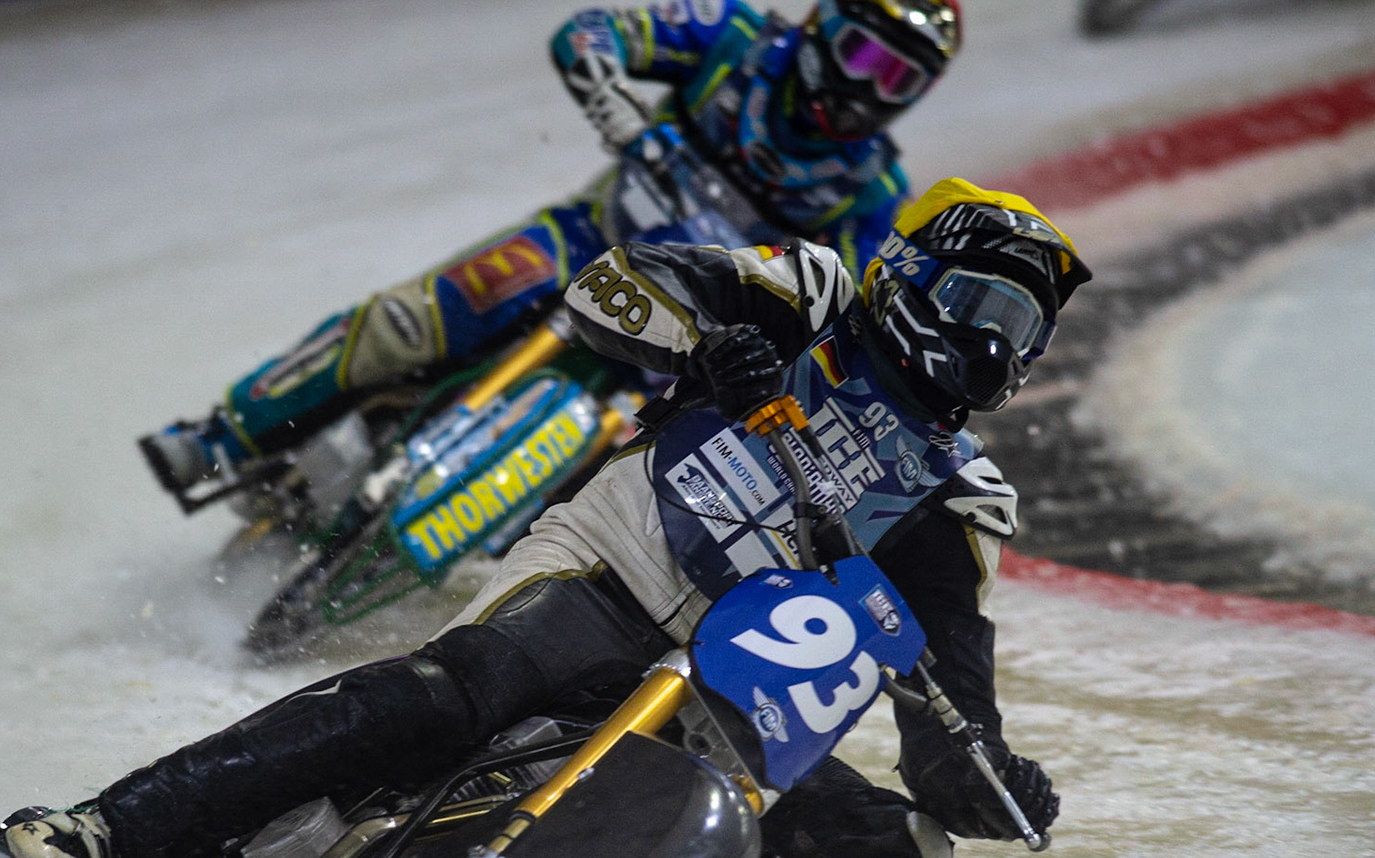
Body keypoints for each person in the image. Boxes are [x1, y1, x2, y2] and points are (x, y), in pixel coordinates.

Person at [2, 178, 1087, 858]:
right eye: (983, 302)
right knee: (452, 695)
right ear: (910, 276)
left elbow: (947, 719)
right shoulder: (812, 297)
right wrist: (710, 347)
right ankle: (109, 831)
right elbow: (610, 287)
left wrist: (994, 781)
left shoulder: (964, 501)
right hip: (611, 569)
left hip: (734, 710)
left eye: (1024, 328)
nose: (996, 344)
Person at [140, 0, 962, 502]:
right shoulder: (733, 35)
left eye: (900, 81)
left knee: (626, 473)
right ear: (826, 26)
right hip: (584, 238)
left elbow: (845, 315)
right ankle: (222, 435)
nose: (868, 89)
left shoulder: (872, 190)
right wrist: (619, 112)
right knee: (408, 322)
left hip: (674, 337)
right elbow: (591, 33)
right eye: (865, 56)